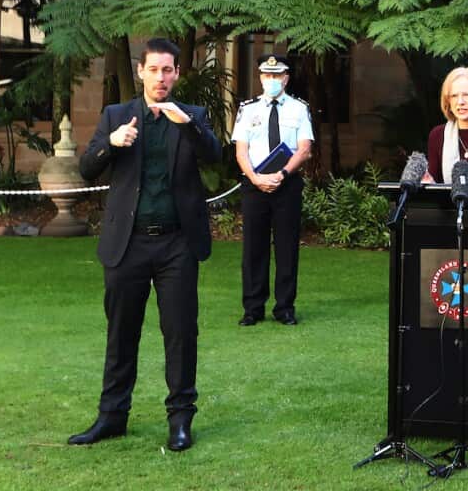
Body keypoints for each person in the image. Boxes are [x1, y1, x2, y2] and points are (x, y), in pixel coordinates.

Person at [69, 38, 221, 452]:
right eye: (153, 70)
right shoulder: (116, 115)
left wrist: (187, 124)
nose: (161, 77)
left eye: (168, 70)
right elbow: (85, 168)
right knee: (121, 333)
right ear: (140, 71)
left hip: (177, 245)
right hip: (127, 245)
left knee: (180, 333)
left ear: (176, 73)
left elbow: (215, 156)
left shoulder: (191, 116)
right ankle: (112, 417)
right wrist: (110, 143)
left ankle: (180, 420)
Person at [233, 54, 314, 327]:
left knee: (287, 248)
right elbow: (240, 150)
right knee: (253, 248)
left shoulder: (299, 109)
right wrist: (255, 178)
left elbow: (304, 149)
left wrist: (281, 174)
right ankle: (253, 308)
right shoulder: (247, 109)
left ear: (286, 78)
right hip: (254, 186)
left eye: (276, 75)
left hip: (287, 185)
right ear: (260, 78)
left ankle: (285, 307)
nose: (271, 80)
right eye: (267, 76)